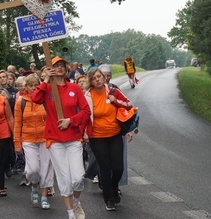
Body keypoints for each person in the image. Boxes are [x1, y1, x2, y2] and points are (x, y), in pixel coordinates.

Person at [31, 56, 91, 219]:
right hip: (54, 140)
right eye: (55, 65)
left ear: (66, 69)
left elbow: (86, 112)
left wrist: (70, 121)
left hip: (73, 139)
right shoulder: (47, 89)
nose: (59, 68)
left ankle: (76, 202)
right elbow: (35, 99)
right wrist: (45, 80)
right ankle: (70, 213)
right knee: (64, 178)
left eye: (62, 66)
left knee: (78, 178)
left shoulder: (74, 88)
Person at [84, 67, 133, 211]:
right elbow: (85, 116)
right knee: (105, 168)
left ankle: (113, 186)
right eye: (94, 78)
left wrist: (116, 101)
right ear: (90, 81)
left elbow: (129, 105)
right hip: (97, 137)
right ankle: (109, 199)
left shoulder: (112, 91)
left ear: (104, 77)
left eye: (99, 76)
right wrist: (85, 134)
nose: (97, 79)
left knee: (118, 168)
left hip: (115, 134)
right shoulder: (88, 95)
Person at [14, 74, 54, 210]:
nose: (33, 88)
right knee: (33, 170)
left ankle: (44, 197)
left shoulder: (46, 99)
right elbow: (17, 123)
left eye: (36, 85)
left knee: (46, 169)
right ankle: (34, 186)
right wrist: (17, 143)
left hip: (45, 138)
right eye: (30, 85)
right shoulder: (21, 102)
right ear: (25, 87)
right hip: (28, 139)